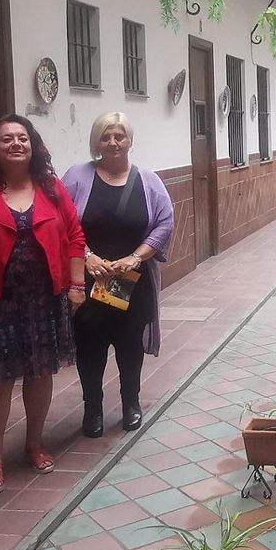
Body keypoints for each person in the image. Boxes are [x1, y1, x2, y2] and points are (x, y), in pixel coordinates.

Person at [0, 115, 86, 495]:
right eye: (6, 139)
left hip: (44, 299)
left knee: (40, 374)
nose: (15, 144)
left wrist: (76, 285)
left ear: (33, 145)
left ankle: (34, 443)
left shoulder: (52, 188)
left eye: (22, 138)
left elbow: (75, 236)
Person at [62, 112, 175, 436]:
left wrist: (135, 257)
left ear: (129, 141)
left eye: (119, 136)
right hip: (88, 280)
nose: (112, 143)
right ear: (96, 142)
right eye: (105, 136)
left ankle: (131, 403)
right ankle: (92, 409)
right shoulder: (77, 177)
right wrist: (87, 257)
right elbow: (62, 222)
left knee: (130, 345)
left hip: (132, 281)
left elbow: (165, 221)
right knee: (90, 347)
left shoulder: (148, 181)